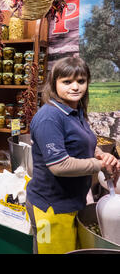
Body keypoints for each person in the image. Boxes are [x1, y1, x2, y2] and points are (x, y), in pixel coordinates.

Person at [25, 56, 120, 254]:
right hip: (49, 209)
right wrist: (99, 165)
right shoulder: (49, 118)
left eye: (81, 81)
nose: (75, 87)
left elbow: (85, 142)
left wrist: (102, 155)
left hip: (70, 203)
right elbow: (60, 166)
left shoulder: (75, 111)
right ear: (54, 83)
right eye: (67, 82)